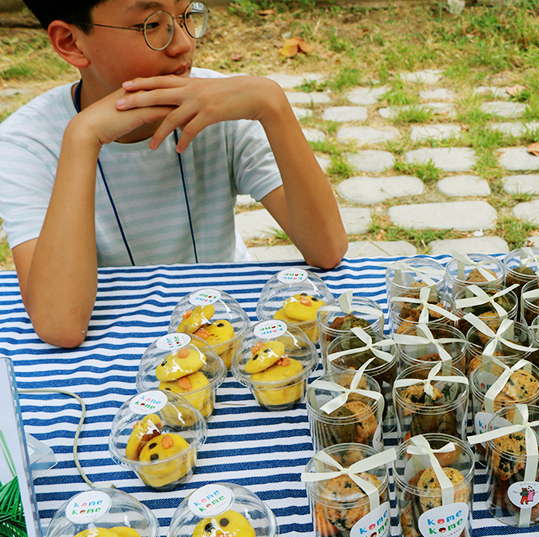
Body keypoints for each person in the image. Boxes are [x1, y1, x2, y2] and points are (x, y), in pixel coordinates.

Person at [0, 0, 348, 348]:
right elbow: (60, 324)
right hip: (118, 332)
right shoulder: (27, 143)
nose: (183, 43)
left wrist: (272, 104)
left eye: (187, 16)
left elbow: (327, 250)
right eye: (151, 25)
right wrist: (82, 139)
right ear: (71, 43)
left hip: (227, 317)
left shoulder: (222, 105)